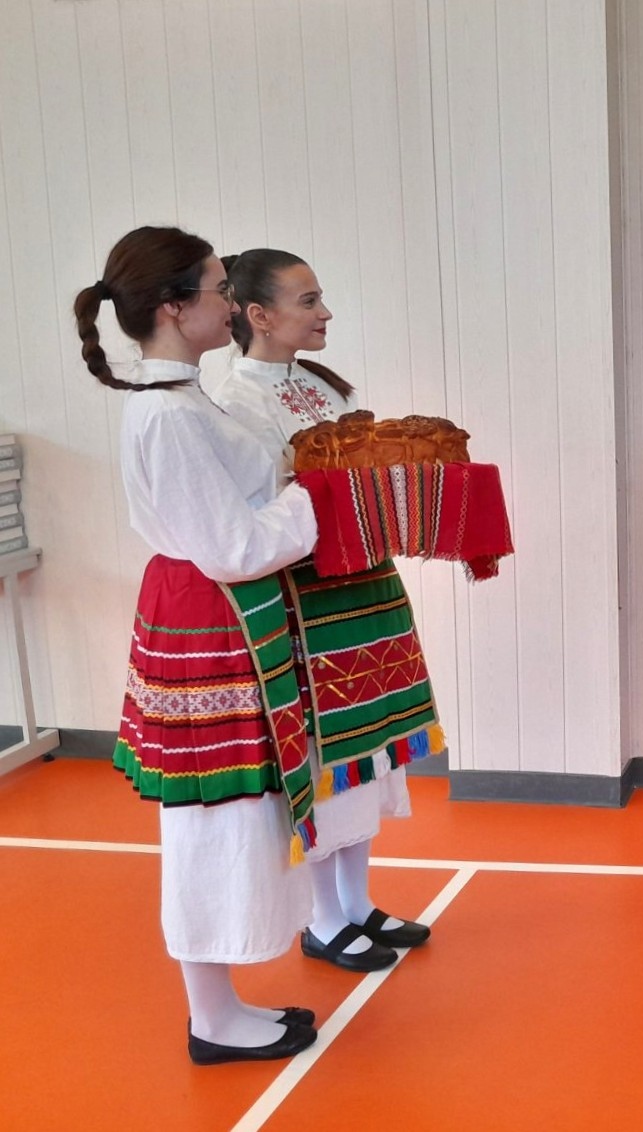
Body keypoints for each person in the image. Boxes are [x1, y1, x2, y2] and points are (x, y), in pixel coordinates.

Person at [75, 226, 320, 1063]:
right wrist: (315, 498)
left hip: (219, 611)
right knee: (213, 817)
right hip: (209, 612)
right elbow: (234, 546)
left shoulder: (187, 397)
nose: (230, 300)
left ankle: (221, 1003)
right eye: (219, 288)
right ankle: (211, 1017)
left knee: (236, 810)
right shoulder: (169, 413)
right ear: (175, 308)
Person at [214, 248, 433, 972]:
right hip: (307, 599)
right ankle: (323, 918)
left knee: (369, 751)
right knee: (325, 757)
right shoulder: (237, 402)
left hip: (362, 584)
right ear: (258, 314)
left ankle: (357, 902)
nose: (325, 313)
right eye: (308, 301)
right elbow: (264, 510)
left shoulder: (320, 385)